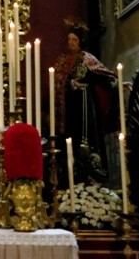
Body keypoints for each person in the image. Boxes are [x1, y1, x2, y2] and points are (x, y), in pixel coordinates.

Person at [53, 18, 119, 184]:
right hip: (71, 108)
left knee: (90, 136)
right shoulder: (65, 62)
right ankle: (74, 175)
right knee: (73, 137)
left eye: (74, 40)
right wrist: (71, 83)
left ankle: (94, 172)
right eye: (69, 40)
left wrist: (117, 84)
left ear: (80, 41)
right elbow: (59, 83)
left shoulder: (88, 59)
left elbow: (102, 77)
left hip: (88, 104)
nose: (71, 43)